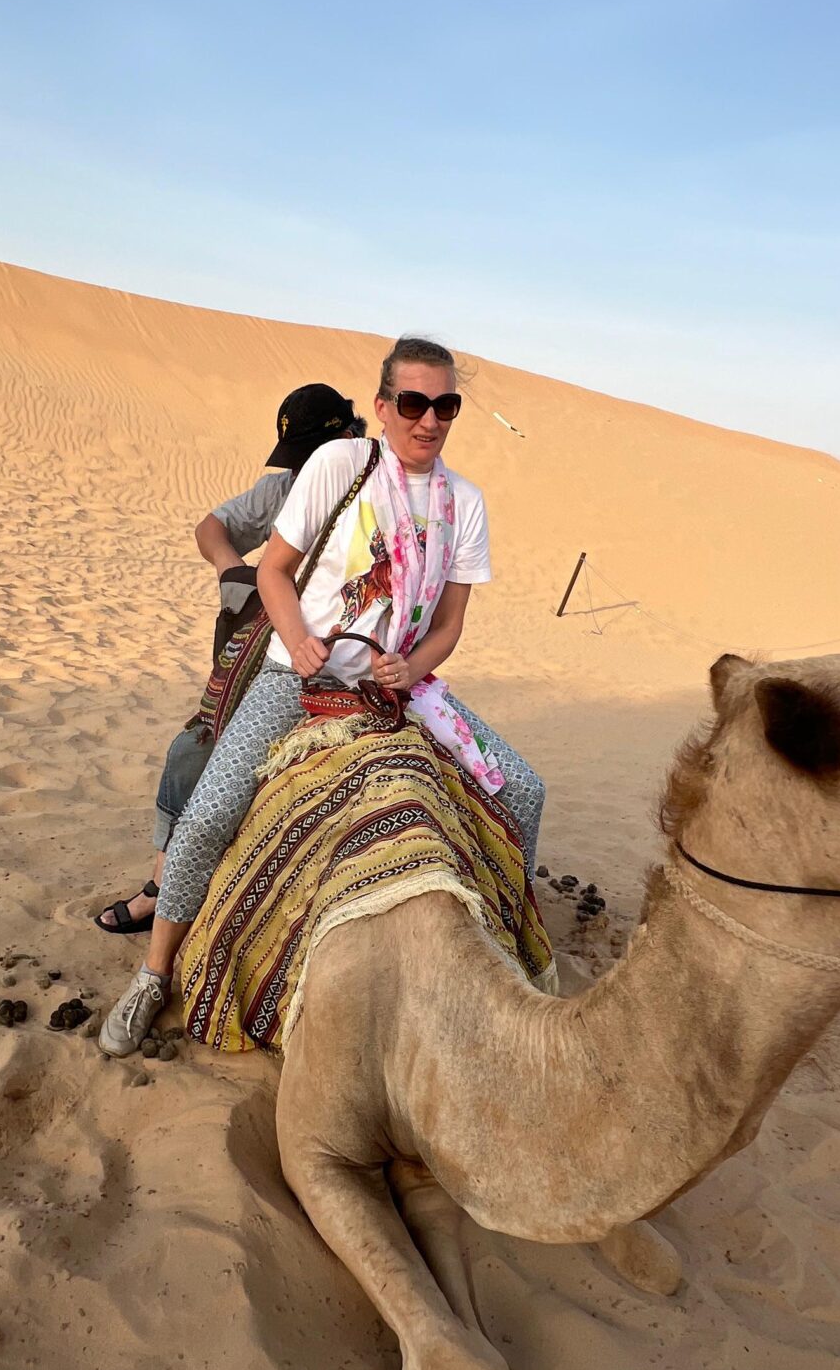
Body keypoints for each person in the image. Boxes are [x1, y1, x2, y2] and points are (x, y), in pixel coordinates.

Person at [100, 336, 546, 1055]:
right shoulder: (340, 465)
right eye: (413, 403)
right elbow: (275, 570)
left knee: (524, 790)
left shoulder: (464, 503)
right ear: (382, 406)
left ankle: (509, 955)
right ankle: (153, 974)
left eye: (445, 405)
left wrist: (412, 666)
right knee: (210, 811)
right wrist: (298, 640)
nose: (428, 420)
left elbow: (451, 623)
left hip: (398, 684)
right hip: (294, 675)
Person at [93, 383, 363, 934]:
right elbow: (211, 527)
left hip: (359, 658)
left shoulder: (378, 489)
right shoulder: (286, 488)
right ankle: (164, 882)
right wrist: (230, 568)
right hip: (281, 651)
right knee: (197, 747)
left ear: (348, 439)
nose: (303, 467)